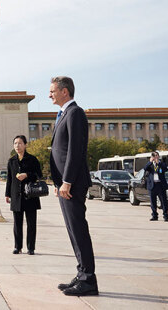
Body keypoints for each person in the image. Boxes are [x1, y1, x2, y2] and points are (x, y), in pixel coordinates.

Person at [48, 76, 98, 296]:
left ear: (64, 92)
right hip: (64, 185)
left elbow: (76, 150)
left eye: (52, 91)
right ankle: (81, 274)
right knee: (72, 231)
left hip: (73, 184)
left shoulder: (75, 113)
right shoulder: (64, 114)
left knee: (78, 230)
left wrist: (67, 181)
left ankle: (88, 280)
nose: (49, 95)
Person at [5, 135, 41, 255]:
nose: (17, 146)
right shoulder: (12, 161)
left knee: (31, 223)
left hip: (30, 195)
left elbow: (38, 175)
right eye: (15, 143)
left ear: (25, 145)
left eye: (20, 143)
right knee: (17, 223)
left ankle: (31, 248)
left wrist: (27, 175)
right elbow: (9, 179)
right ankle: (17, 246)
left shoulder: (32, 159)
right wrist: (7, 194)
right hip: (16, 195)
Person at [142, 151, 168, 221]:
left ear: (158, 156)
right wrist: (150, 162)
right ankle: (154, 215)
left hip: (160, 185)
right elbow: (145, 168)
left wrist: (158, 163)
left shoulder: (161, 163)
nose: (155, 157)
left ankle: (165, 215)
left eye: (156, 155)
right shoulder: (150, 164)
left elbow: (166, 169)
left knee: (163, 201)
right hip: (152, 185)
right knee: (153, 202)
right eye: (154, 156)